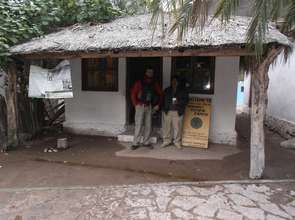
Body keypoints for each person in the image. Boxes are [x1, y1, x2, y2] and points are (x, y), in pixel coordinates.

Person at [131, 68, 163, 150]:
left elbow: (160, 94)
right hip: (140, 105)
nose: (150, 73)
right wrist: (136, 105)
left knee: (148, 125)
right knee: (139, 125)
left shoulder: (154, 83)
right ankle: (135, 143)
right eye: (149, 72)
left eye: (152, 72)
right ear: (145, 72)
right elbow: (133, 93)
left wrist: (157, 105)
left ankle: (146, 142)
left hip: (149, 106)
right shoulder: (139, 82)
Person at [161, 76, 189, 149]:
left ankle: (177, 142)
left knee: (177, 128)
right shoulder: (167, 90)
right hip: (168, 111)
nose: (174, 82)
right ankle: (166, 141)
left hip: (177, 111)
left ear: (178, 82)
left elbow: (186, 100)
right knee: (167, 128)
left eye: (175, 81)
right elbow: (162, 99)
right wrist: (163, 109)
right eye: (173, 81)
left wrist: (178, 102)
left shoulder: (183, 90)